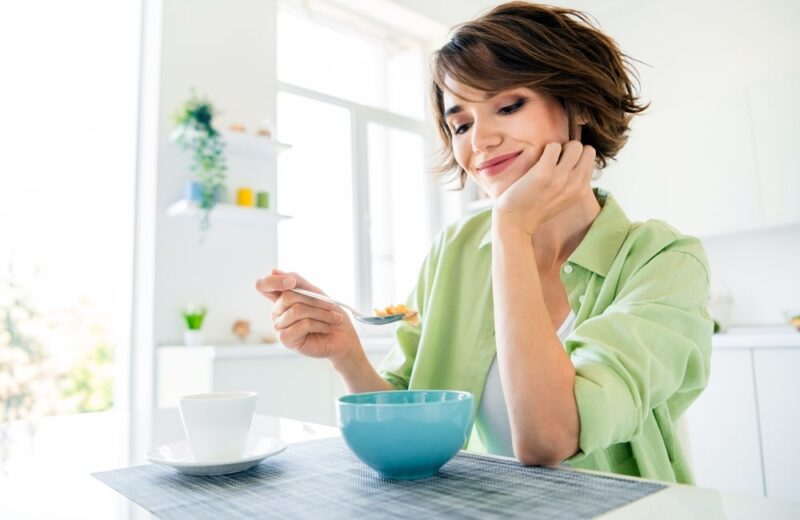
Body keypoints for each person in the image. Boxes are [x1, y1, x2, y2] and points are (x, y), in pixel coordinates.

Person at [256, 1, 712, 484]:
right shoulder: (454, 249)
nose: (480, 141)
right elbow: (409, 427)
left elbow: (548, 439)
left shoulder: (664, 261)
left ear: (576, 107)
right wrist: (346, 351)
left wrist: (512, 227)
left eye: (509, 106)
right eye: (461, 124)